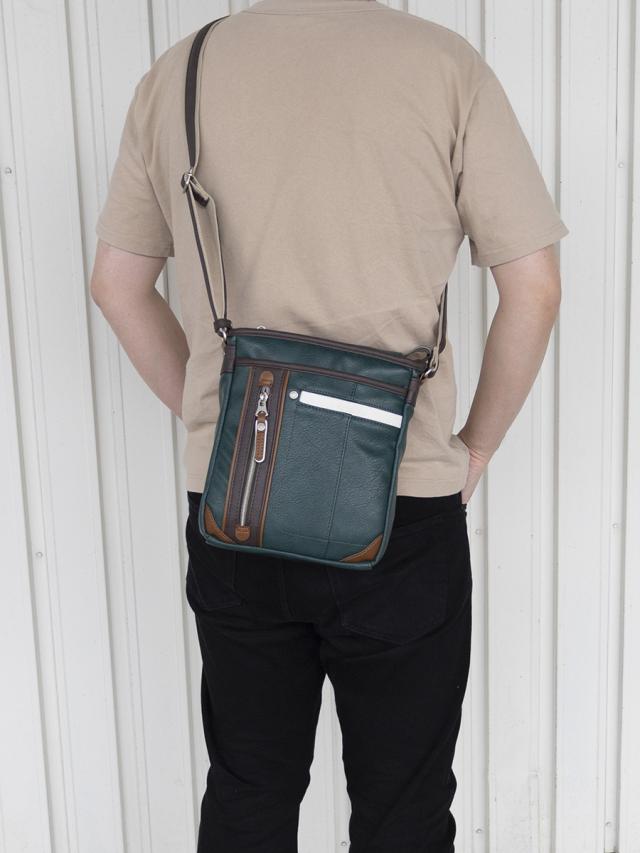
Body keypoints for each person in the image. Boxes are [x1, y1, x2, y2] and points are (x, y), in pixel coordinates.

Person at [90, 0, 569, 850]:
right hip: (402, 503)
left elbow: (116, 284)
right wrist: (477, 447)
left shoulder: (179, 73)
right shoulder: (445, 67)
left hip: (239, 502)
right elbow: (535, 287)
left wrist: (224, 424)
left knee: (248, 789)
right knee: (404, 811)